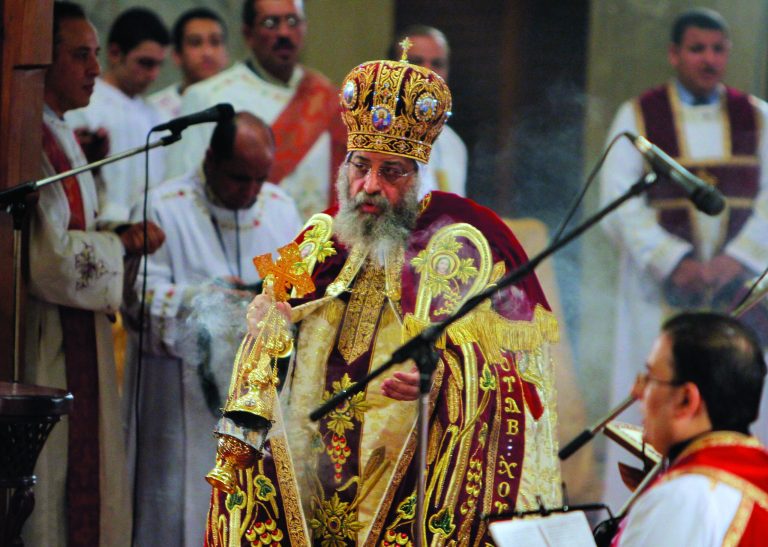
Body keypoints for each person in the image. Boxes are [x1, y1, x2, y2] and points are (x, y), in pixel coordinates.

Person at [204, 53, 562, 545]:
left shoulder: (465, 242)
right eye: (360, 166)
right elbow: (267, 334)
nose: (369, 187)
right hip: (310, 490)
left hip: (411, 484)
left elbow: (513, 378)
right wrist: (271, 326)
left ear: (417, 174)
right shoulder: (319, 236)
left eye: (391, 171)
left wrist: (444, 378)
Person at [599, 7, 768, 510]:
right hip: (664, 296)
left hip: (741, 293)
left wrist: (738, 259)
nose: (709, 59)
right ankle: (642, 512)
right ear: (675, 54)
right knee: (657, 395)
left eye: (718, 49)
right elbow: (618, 200)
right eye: (697, 49)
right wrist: (673, 260)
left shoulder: (758, 116)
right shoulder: (638, 117)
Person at [125, 112, 302, 546]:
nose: (252, 192)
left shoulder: (281, 208)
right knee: (174, 510)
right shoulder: (162, 206)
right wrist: (213, 299)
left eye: (262, 179)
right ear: (210, 160)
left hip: (254, 401)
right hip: (176, 398)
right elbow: (136, 301)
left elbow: (297, 296)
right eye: (241, 179)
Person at [25, 3, 165, 546]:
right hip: (45, 339)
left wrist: (119, 232)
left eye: (96, 55)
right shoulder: (27, 136)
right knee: (55, 481)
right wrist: (119, 243)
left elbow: (74, 228)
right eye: (79, 55)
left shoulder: (56, 130)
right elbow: (48, 256)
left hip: (75, 333)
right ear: (43, 59)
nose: (95, 69)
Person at [165, 0, 347, 220]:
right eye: (270, 23)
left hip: (314, 244)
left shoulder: (324, 94)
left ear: (304, 27)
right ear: (248, 33)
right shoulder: (208, 96)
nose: (283, 32)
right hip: (238, 237)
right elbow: (182, 190)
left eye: (292, 22)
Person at [612, 312, 768, 545]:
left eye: (651, 377)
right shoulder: (755, 476)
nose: (637, 391)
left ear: (686, 400)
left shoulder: (682, 497)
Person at [66, 7, 170, 223]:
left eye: (159, 65)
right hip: (98, 229)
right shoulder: (85, 107)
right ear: (115, 53)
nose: (154, 75)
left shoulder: (157, 114)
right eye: (145, 63)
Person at [392, 25, 468, 197]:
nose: (428, 72)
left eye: (437, 64)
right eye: (416, 62)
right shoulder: (375, 131)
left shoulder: (453, 143)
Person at [149, 7, 230, 122]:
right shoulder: (153, 111)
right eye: (195, 43)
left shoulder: (244, 102)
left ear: (226, 54)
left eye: (215, 42)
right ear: (177, 55)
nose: (207, 52)